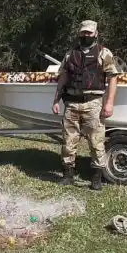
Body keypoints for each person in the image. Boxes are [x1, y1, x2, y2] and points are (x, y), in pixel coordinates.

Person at [52, 20, 119, 190]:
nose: (86, 35)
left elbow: (112, 78)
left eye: (89, 32)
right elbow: (63, 77)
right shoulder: (70, 54)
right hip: (71, 104)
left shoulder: (104, 53)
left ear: (96, 33)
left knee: (96, 142)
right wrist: (56, 100)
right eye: (83, 32)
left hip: (93, 104)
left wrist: (109, 103)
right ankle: (68, 175)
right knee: (68, 141)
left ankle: (96, 179)